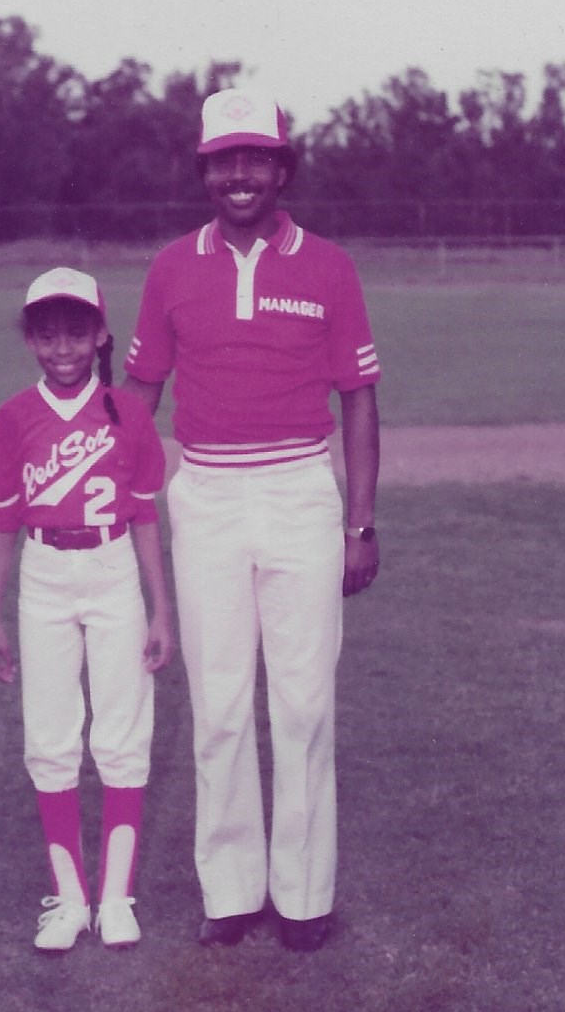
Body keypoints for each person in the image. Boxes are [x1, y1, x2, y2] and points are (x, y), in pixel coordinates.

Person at [122, 88, 380, 953]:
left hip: (303, 492)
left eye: (256, 160)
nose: (240, 175)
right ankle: (229, 894)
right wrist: (120, 493)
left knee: (304, 703)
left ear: (282, 169)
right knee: (222, 704)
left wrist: (361, 521)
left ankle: (304, 898)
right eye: (223, 160)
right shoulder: (170, 267)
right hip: (208, 496)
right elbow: (139, 397)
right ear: (203, 171)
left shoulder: (330, 266)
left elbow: (359, 399)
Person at [0, 266, 175, 954]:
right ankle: (69, 900)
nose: (63, 349)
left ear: (100, 336)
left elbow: (146, 512)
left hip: (114, 565)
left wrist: (160, 608)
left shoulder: (128, 412)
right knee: (51, 736)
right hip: (44, 574)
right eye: (47, 335)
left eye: (76, 333)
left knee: (122, 732)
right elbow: (4, 520)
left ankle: (116, 899)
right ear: (31, 341)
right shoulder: (14, 417)